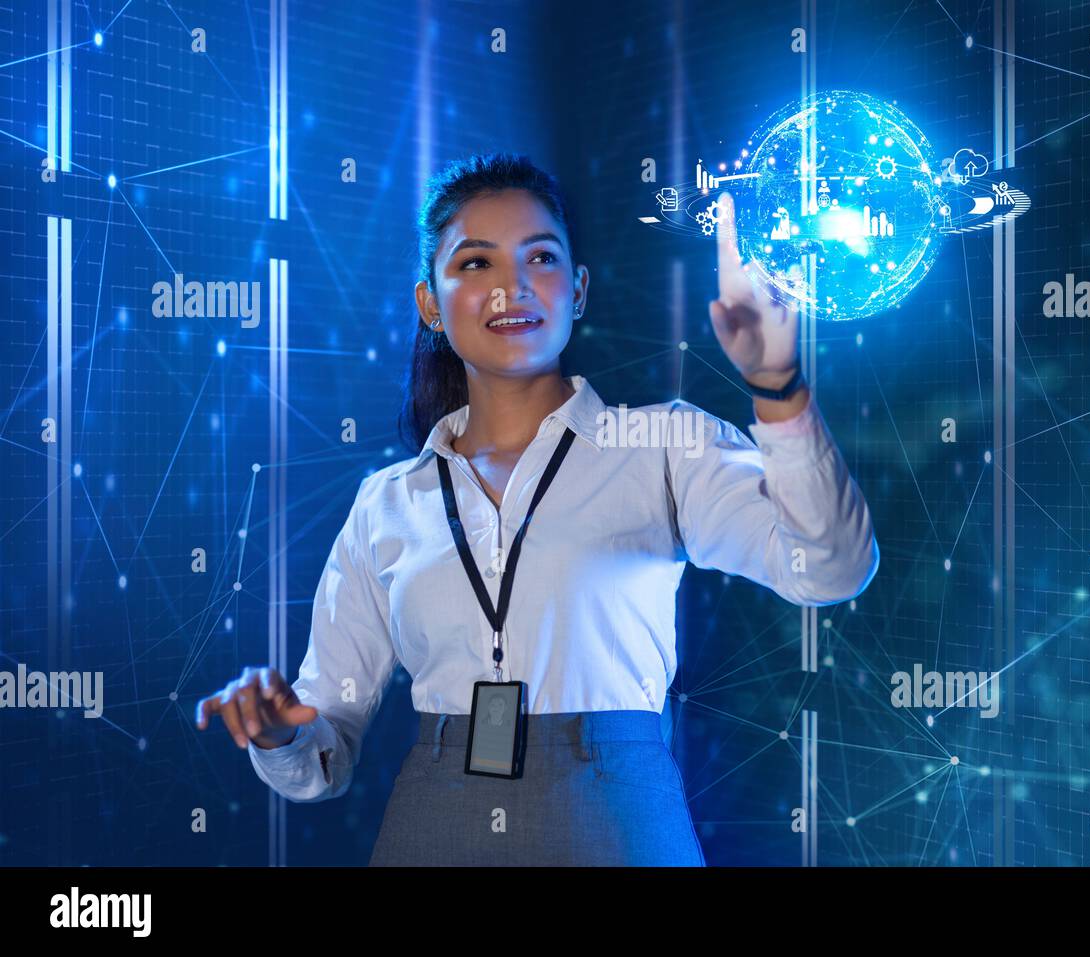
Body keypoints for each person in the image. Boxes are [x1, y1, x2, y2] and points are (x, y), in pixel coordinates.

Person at [195, 152, 880, 866]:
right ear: (430, 301)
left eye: (540, 257)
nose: (511, 287)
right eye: (475, 264)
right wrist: (279, 732)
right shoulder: (388, 504)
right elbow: (321, 751)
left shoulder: (663, 445)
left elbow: (829, 569)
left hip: (615, 818)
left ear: (577, 289)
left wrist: (779, 387)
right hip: (434, 824)